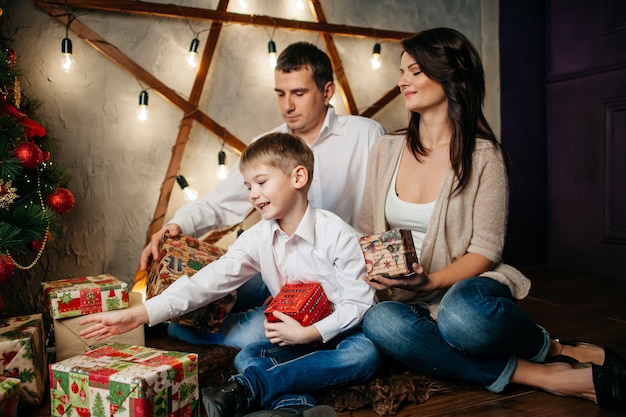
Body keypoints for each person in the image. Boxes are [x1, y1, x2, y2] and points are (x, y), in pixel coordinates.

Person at [356, 27, 626, 412]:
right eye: (402, 71)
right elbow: (370, 229)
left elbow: (485, 251)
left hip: (466, 289)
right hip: (404, 298)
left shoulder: (485, 157)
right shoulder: (384, 149)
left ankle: (553, 347)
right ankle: (541, 373)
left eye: (415, 71)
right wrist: (380, 274)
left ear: (451, 75)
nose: (403, 81)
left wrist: (429, 281)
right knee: (380, 324)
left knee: (461, 319)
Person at [80, 132, 380, 417]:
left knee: (364, 355)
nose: (253, 195)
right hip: (288, 335)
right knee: (246, 356)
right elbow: (205, 284)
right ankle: (295, 407)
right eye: (248, 186)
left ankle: (246, 388)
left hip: (341, 334)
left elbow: (358, 304)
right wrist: (137, 315)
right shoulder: (257, 237)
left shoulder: (339, 234)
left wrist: (309, 333)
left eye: (261, 182)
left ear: (298, 177)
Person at [139, 41, 385, 348]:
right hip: (280, 269)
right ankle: (192, 323)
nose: (287, 106)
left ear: (327, 92)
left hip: (340, 274)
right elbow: (218, 205)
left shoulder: (365, 134)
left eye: (299, 93)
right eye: (280, 94)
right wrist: (178, 225)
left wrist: (381, 271)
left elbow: (384, 207)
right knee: (210, 289)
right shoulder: (266, 146)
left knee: (259, 334)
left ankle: (253, 328)